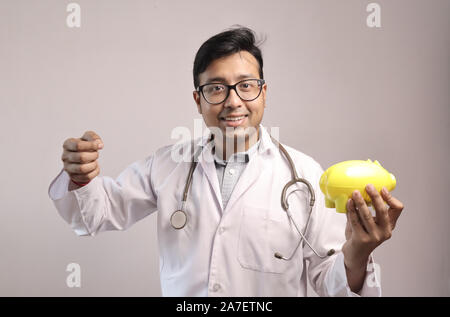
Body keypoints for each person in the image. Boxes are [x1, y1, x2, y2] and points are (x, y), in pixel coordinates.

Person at [48, 27, 404, 296]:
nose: (233, 101)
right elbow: (94, 214)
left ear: (263, 93)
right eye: (216, 88)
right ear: (198, 100)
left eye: (246, 85)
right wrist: (81, 176)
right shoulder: (167, 164)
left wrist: (358, 251)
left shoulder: (305, 176)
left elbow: (330, 282)